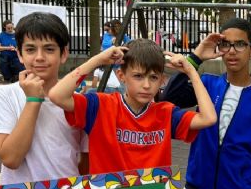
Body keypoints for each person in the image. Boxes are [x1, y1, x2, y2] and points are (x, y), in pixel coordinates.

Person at [161, 17, 251, 189]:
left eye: (240, 44)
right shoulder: (206, 83)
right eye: (226, 44)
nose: (232, 51)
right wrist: (196, 57)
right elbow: (169, 99)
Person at [48, 38, 217, 174]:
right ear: (122, 76)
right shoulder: (100, 106)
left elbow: (208, 118)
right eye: (138, 76)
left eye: (153, 78)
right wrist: (98, 59)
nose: (146, 85)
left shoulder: (166, 113)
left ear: (162, 80)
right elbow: (57, 95)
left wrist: (191, 71)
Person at [0, 12, 88, 184]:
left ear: (64, 54)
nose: (39, 57)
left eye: (49, 49)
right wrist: (33, 100)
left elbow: (85, 162)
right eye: (30, 49)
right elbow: (11, 158)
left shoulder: (78, 102)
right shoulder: (3, 95)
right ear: (20, 54)